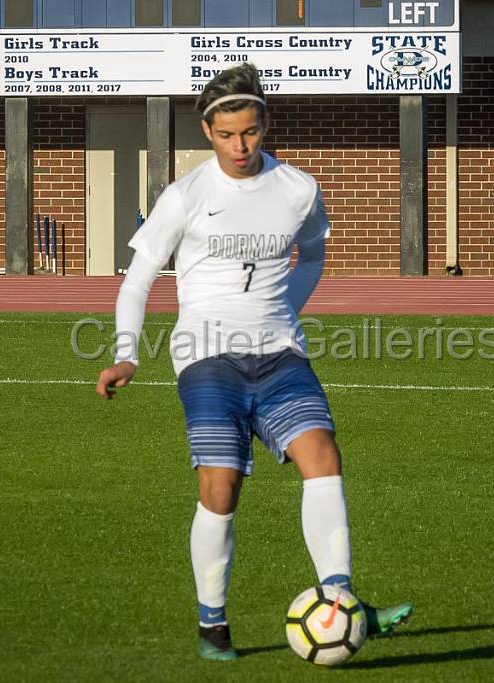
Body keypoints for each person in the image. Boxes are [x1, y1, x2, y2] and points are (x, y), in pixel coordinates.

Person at [95, 63, 412, 661]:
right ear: (207, 133)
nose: (240, 146)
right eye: (226, 135)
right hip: (206, 357)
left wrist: (283, 311)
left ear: (265, 125)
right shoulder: (186, 196)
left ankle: (341, 598)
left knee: (322, 455)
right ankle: (213, 624)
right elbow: (138, 280)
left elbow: (313, 256)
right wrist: (126, 354)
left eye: (250, 132)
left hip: (280, 354)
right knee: (222, 487)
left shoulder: (297, 189)